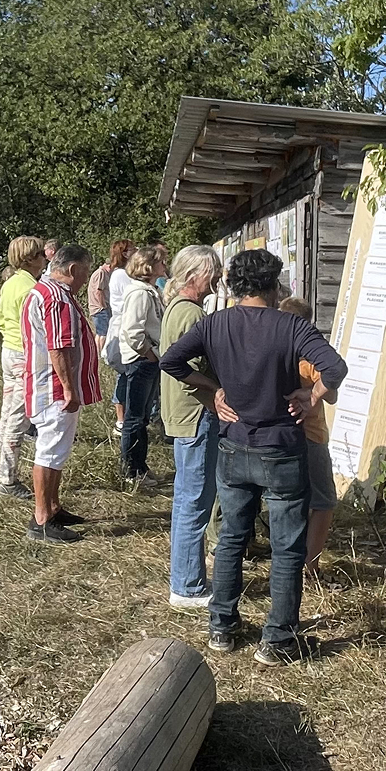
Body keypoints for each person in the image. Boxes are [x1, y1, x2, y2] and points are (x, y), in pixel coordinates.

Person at [160, 249, 348, 666]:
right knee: (286, 547)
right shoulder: (291, 326)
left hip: (233, 446)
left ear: (233, 285)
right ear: (274, 285)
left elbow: (171, 361)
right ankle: (278, 638)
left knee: (230, 538)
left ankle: (222, 627)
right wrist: (312, 396)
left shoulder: (214, 323)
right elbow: (334, 369)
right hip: (282, 448)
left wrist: (214, 389)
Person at [21, 244, 100, 543]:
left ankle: (52, 507)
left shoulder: (47, 292)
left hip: (48, 385)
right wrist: (68, 387)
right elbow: (59, 345)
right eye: (85, 271)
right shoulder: (56, 297)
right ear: (73, 270)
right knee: (50, 450)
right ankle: (41, 518)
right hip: (53, 388)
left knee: (57, 449)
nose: (85, 278)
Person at [160, 245, 223, 609]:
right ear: (193, 276)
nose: (215, 278)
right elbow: (184, 370)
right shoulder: (189, 313)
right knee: (194, 502)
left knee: (190, 499)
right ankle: (187, 587)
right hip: (195, 415)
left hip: (186, 415)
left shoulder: (180, 309)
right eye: (211, 271)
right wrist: (217, 388)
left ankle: (187, 578)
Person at [277, 296, 337, 577]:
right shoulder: (311, 357)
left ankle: (286, 561)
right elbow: (333, 394)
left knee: (288, 501)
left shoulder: (275, 351)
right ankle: (311, 566)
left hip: (279, 436)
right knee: (323, 502)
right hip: (311, 435)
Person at [0, 236, 47, 501]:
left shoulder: (11, 283)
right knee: (17, 419)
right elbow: (37, 328)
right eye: (39, 254)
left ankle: (3, 473)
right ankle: (7, 480)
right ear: (28, 259)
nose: (45, 258)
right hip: (24, 355)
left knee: (8, 415)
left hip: (9, 350)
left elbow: (0, 321)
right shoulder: (30, 289)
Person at [117, 245, 168, 483]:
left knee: (142, 417)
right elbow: (132, 331)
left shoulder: (148, 291)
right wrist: (149, 354)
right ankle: (131, 470)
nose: (165, 266)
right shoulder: (139, 294)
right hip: (141, 361)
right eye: (161, 262)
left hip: (148, 360)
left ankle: (139, 466)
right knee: (135, 417)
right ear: (148, 266)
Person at [105, 239, 137, 435]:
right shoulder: (120, 275)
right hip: (122, 327)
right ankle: (120, 419)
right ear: (125, 253)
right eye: (134, 249)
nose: (137, 251)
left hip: (126, 325)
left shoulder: (124, 274)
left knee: (127, 373)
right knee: (124, 374)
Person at [87, 250, 114, 353]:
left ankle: (98, 353)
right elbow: (99, 291)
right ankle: (102, 353)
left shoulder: (101, 272)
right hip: (99, 308)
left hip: (97, 308)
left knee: (100, 333)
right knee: (104, 333)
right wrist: (104, 306)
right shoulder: (101, 273)